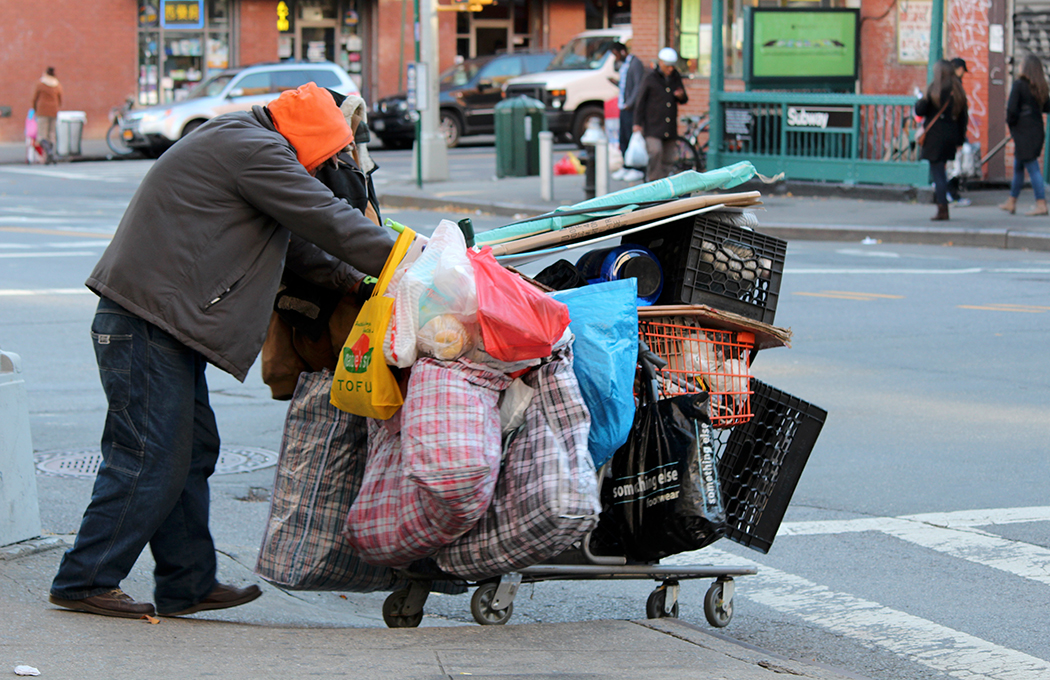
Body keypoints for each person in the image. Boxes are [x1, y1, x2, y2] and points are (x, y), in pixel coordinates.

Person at [49, 83, 395, 619]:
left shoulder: (247, 138)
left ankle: (188, 583)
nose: (323, 169)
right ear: (309, 140)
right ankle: (83, 579)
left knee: (190, 451)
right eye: (324, 158)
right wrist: (411, 255)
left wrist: (353, 282)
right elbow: (327, 219)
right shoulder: (255, 150)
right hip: (144, 321)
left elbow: (301, 246)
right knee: (150, 454)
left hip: (160, 321)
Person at [915, 60, 969, 221]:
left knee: (938, 173)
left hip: (934, 137)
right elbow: (963, 117)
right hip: (950, 136)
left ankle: (942, 208)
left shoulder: (933, 89)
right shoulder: (957, 90)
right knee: (942, 170)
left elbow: (920, 110)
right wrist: (960, 139)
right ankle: (945, 202)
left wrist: (922, 97)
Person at [999, 54, 1050, 216]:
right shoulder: (1040, 87)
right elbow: (1046, 107)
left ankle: (1041, 203)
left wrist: (1013, 126)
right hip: (1036, 130)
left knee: (1032, 167)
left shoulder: (1019, 85)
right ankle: (1011, 201)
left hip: (1023, 132)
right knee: (1019, 167)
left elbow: (1011, 111)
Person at [633, 47, 688, 182]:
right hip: (653, 125)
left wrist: (681, 96)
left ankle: (664, 183)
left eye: (672, 66)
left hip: (669, 126)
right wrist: (637, 123)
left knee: (668, 158)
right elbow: (640, 101)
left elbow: (684, 98)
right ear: (661, 63)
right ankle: (653, 182)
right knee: (655, 152)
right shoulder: (650, 78)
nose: (670, 69)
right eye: (668, 66)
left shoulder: (675, 77)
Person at [610, 42, 645, 181]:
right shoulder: (624, 64)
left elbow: (638, 85)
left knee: (631, 138)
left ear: (623, 52)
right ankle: (626, 165)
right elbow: (625, 83)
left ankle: (636, 168)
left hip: (631, 107)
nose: (615, 57)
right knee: (623, 138)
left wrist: (630, 103)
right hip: (623, 106)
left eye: (616, 54)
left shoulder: (635, 64)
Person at [947, 58, 972, 207]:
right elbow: (960, 112)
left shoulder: (946, 84)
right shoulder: (955, 85)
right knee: (956, 166)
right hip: (954, 131)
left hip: (952, 131)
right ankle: (951, 193)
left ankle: (949, 192)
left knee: (954, 165)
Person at [31, 67, 62, 151]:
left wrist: (34, 109)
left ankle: (47, 150)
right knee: (51, 133)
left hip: (42, 111)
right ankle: (51, 150)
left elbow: (34, 98)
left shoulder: (40, 84)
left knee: (42, 135)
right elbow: (60, 99)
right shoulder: (57, 85)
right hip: (54, 110)